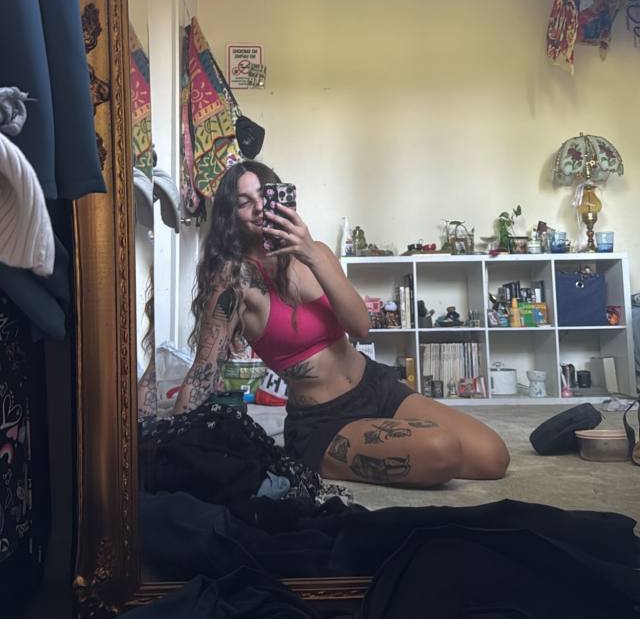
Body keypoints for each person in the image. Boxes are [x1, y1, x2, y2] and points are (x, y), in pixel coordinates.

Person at [174, 162, 510, 488]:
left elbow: (361, 327)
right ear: (231, 217)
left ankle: (394, 441)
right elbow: (204, 369)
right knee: (441, 450)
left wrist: (310, 254)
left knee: (494, 456)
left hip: (375, 386)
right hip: (323, 421)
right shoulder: (234, 279)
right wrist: (173, 447)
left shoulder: (317, 253)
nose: (259, 207)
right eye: (244, 202)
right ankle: (348, 453)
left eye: (264, 194)